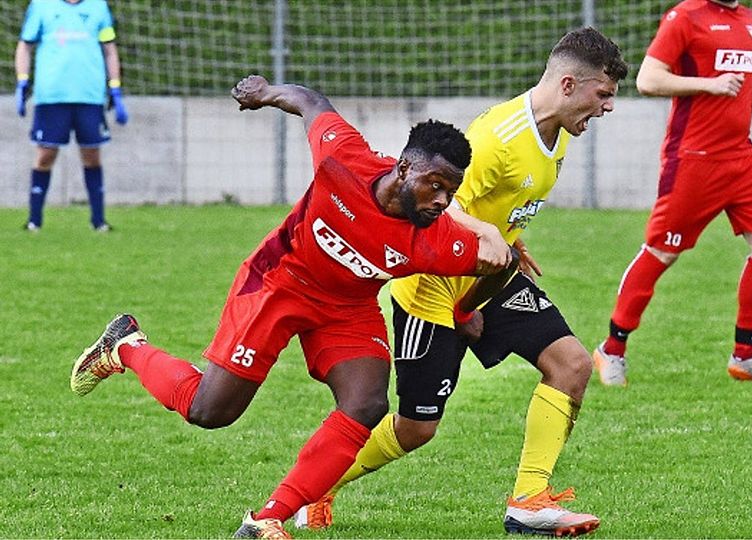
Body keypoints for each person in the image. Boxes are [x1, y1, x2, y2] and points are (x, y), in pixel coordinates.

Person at [69, 74, 517, 539]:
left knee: (367, 403)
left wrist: (464, 310)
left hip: (347, 308)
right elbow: (311, 101)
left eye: (450, 192)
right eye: (435, 185)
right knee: (210, 412)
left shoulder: (438, 239)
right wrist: (264, 94)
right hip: (278, 284)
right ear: (404, 169)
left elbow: (504, 265)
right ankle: (126, 346)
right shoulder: (343, 159)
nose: (442, 201)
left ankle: (267, 518)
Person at [295, 28, 628, 537]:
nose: (607, 107)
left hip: (489, 278)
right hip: (431, 288)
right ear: (568, 84)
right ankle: (314, 488)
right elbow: (438, 210)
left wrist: (508, 237)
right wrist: (470, 287)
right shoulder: (498, 138)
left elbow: (490, 209)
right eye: (602, 94)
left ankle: (529, 500)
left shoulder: (558, 130)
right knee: (416, 428)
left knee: (572, 364)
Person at [592, 0, 752, 387]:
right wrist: (709, 84)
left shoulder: (747, 18)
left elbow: (736, 81)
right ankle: (611, 350)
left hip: (741, 156)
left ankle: (746, 356)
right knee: (662, 252)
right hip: (693, 159)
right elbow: (649, 79)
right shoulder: (685, 17)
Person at [15, 0, 128, 232]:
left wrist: (115, 87)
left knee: (92, 155)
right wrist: (22, 81)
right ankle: (34, 221)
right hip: (51, 95)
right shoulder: (41, 5)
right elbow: (25, 46)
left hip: (89, 95)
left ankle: (99, 221)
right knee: (45, 155)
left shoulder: (98, 7)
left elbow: (109, 48)